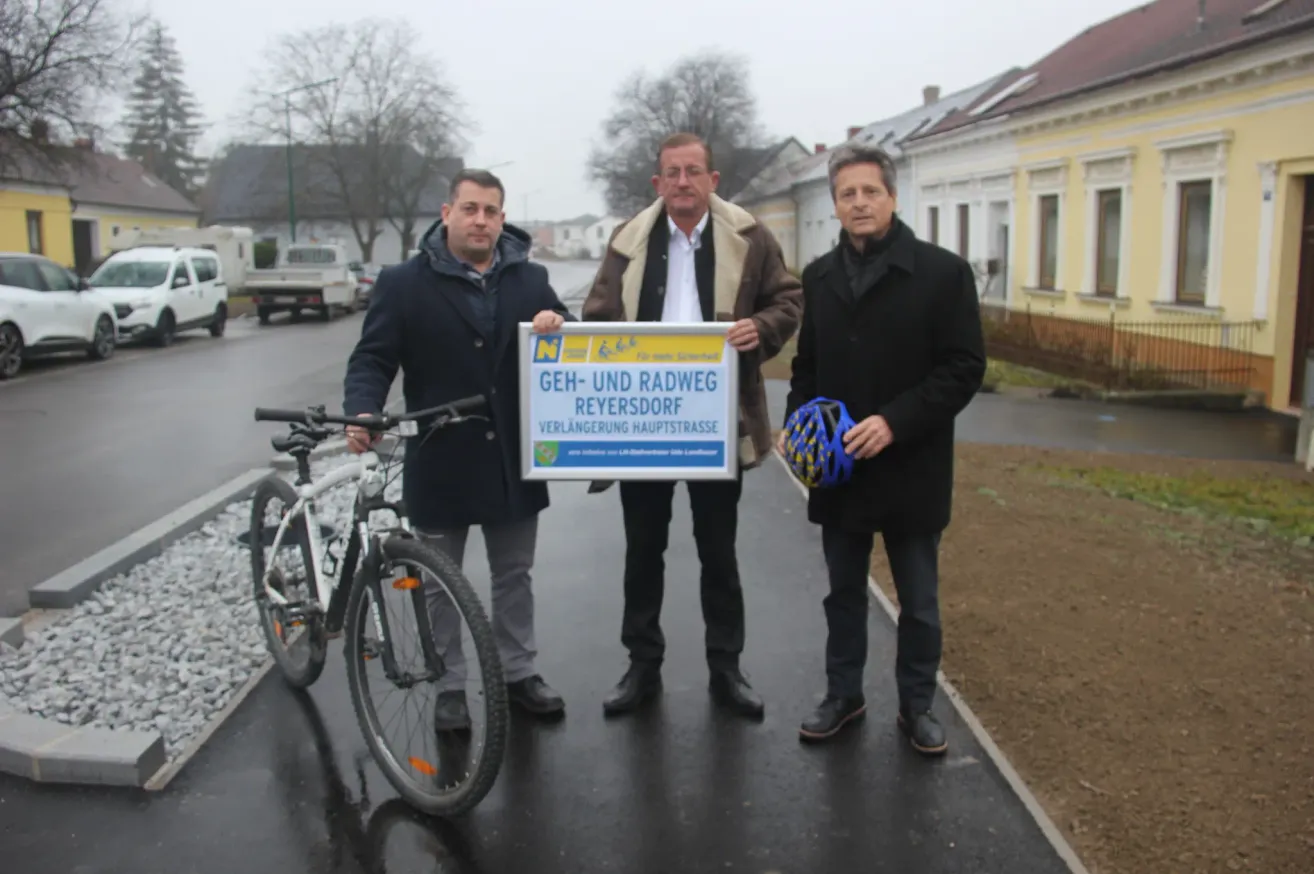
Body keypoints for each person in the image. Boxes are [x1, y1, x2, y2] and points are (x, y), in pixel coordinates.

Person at [343, 168, 574, 730]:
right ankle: (449, 683)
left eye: (491, 211)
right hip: (440, 457)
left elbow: (572, 344)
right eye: (470, 209)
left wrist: (559, 322)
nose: (481, 220)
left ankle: (519, 673)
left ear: (502, 218)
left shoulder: (530, 279)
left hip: (511, 461)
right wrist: (364, 409)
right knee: (442, 581)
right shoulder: (402, 283)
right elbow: (373, 359)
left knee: (513, 575)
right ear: (447, 213)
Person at [581, 132, 803, 719]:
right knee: (642, 551)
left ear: (712, 180)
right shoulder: (627, 242)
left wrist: (764, 327)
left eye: (693, 171)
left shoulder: (750, 238)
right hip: (644, 423)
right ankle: (642, 666)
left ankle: (726, 668)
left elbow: (789, 300)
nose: (683, 182)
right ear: (657, 184)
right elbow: (598, 315)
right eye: (672, 173)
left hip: (715, 422)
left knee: (718, 551)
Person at [781, 144, 985, 752]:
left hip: (911, 465)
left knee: (918, 602)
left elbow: (963, 367)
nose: (860, 203)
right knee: (842, 592)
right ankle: (843, 695)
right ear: (836, 203)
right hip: (840, 470)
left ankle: (917, 706)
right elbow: (806, 367)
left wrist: (895, 422)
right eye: (848, 194)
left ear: (893, 198)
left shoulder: (943, 274)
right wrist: (798, 428)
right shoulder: (818, 277)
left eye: (871, 191)